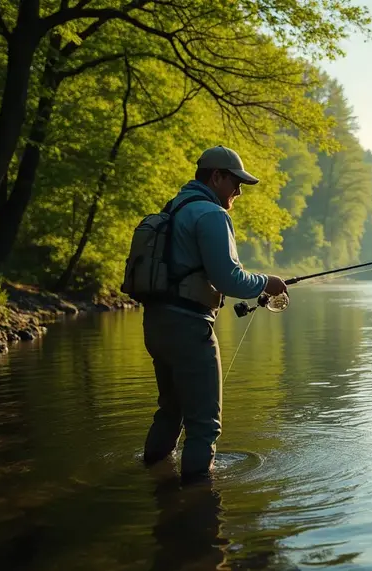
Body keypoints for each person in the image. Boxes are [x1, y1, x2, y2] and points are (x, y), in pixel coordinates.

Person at [140, 145, 288, 484]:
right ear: (216, 176)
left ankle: (152, 481)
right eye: (234, 182)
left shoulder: (175, 207)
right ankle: (195, 505)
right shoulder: (211, 214)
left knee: (171, 411)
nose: (238, 191)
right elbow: (228, 278)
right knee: (205, 425)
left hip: (156, 324)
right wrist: (268, 282)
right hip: (189, 327)